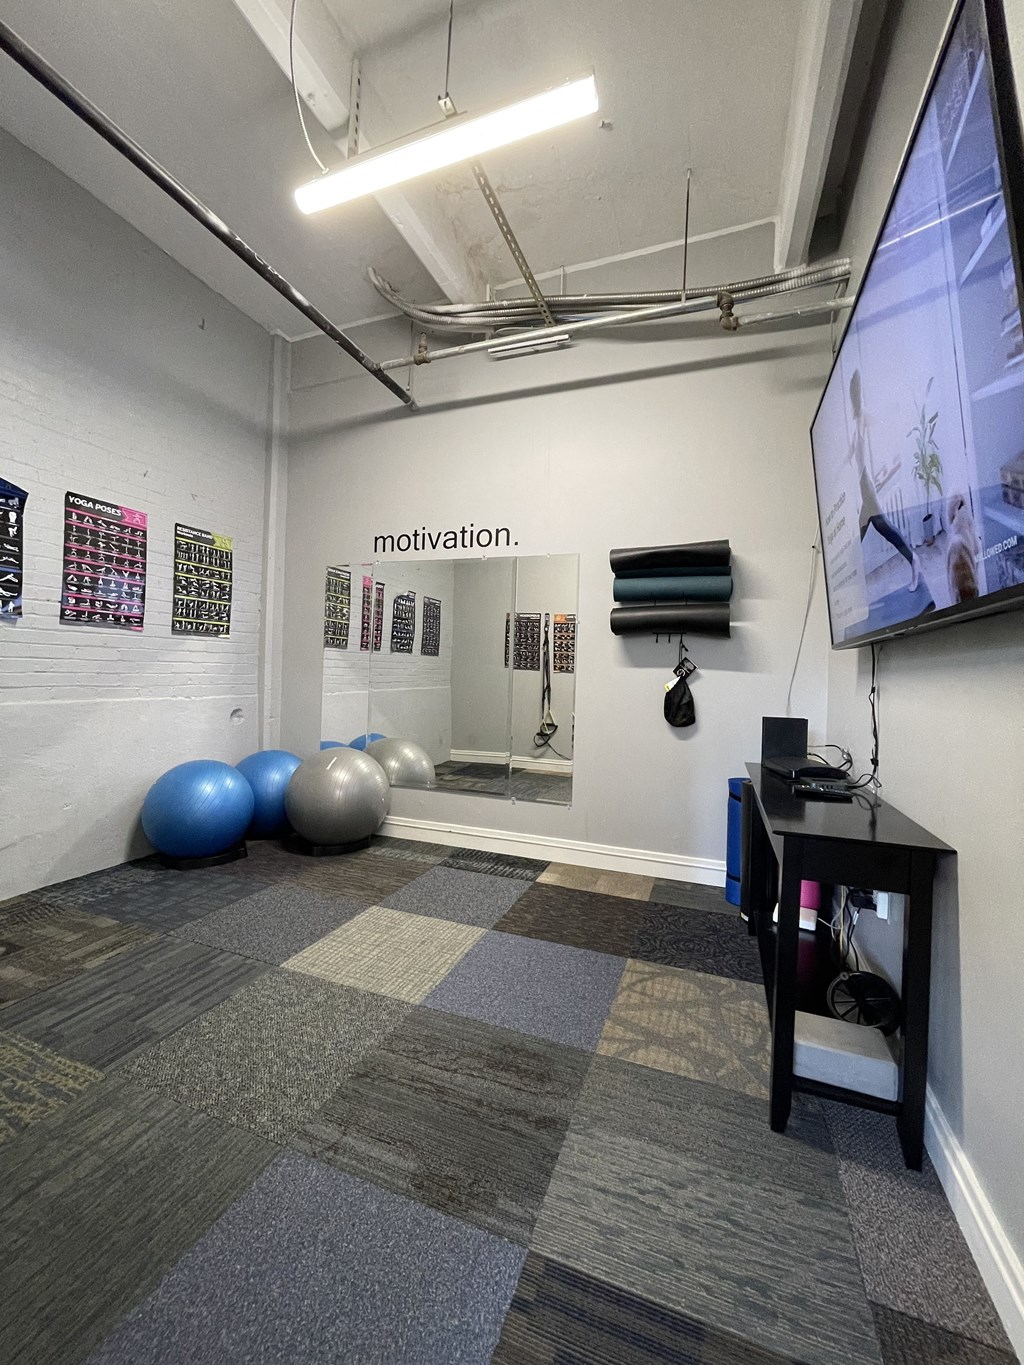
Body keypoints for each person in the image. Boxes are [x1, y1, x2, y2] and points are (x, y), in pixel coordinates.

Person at [848, 367, 920, 591]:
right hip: (864, 486)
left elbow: (883, 420)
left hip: (866, 487)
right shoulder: (857, 421)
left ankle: (914, 560)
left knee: (884, 529)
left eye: (854, 398)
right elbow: (852, 454)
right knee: (867, 534)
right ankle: (849, 588)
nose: (854, 402)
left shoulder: (861, 417)